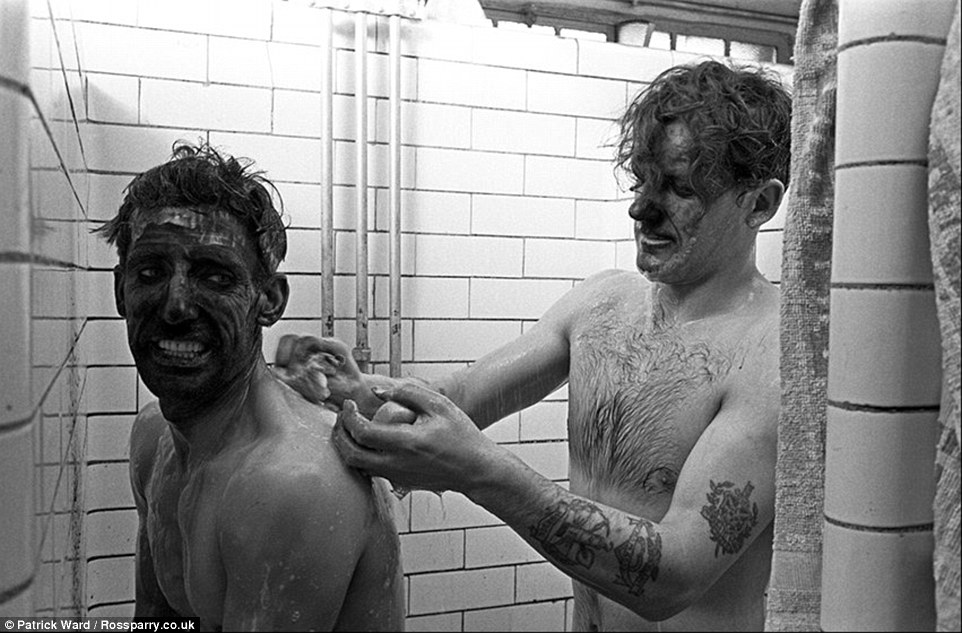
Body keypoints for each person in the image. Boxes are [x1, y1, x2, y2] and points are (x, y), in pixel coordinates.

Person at [277, 59, 790, 631]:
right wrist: (363, 396)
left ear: (759, 204)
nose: (641, 208)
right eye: (643, 180)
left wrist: (481, 472)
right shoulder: (601, 305)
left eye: (679, 188)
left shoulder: (773, 354)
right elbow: (465, 396)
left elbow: (675, 576)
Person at [97, 143, 404, 631]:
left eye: (215, 276)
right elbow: (156, 620)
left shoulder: (295, 483)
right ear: (120, 291)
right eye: (150, 272)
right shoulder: (154, 439)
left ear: (269, 301)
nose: (175, 306)